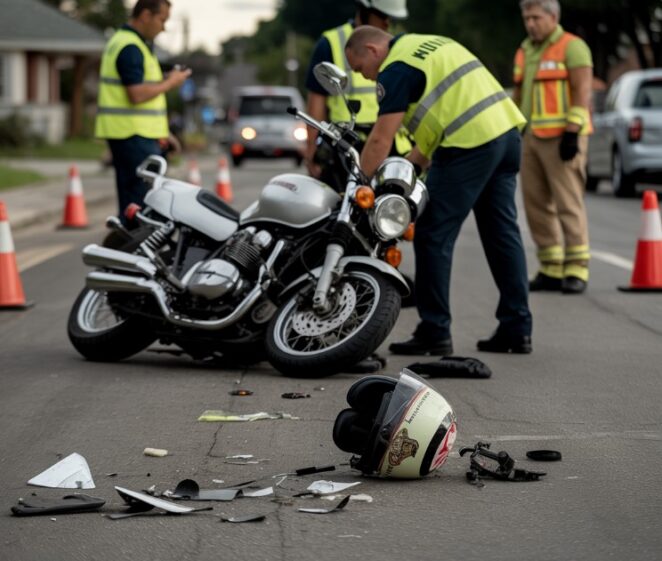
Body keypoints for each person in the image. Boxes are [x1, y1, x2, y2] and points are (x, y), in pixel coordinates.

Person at [345, 26, 533, 355]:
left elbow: (379, 140)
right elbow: (443, 117)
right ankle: (516, 328)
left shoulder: (395, 69)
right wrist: (411, 165)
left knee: (432, 233)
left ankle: (434, 331)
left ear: (373, 50)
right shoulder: (431, 44)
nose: (364, 77)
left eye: (360, 68)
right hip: (506, 136)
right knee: (502, 233)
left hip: (469, 145)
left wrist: (359, 185)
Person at [514, 0, 593, 294]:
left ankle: (576, 268)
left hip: (563, 137)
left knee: (567, 203)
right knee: (536, 205)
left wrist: (573, 131)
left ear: (553, 16)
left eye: (536, 18)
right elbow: (519, 94)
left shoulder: (572, 47)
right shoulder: (525, 50)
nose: (530, 24)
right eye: (527, 18)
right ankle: (551, 267)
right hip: (531, 136)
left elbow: (583, 90)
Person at [95, 0, 191, 224]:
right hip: (133, 135)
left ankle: (128, 242)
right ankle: (133, 244)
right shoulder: (131, 48)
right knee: (142, 204)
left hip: (133, 134)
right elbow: (137, 95)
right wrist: (170, 83)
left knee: (134, 202)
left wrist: (164, 133)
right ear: (146, 15)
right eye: (162, 20)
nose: (163, 28)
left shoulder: (126, 42)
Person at [304, 0, 411, 191]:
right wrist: (312, 149)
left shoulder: (397, 43)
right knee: (341, 203)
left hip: (392, 144)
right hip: (345, 148)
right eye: (383, 15)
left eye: (391, 18)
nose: (387, 22)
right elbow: (317, 101)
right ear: (364, 9)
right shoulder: (331, 42)